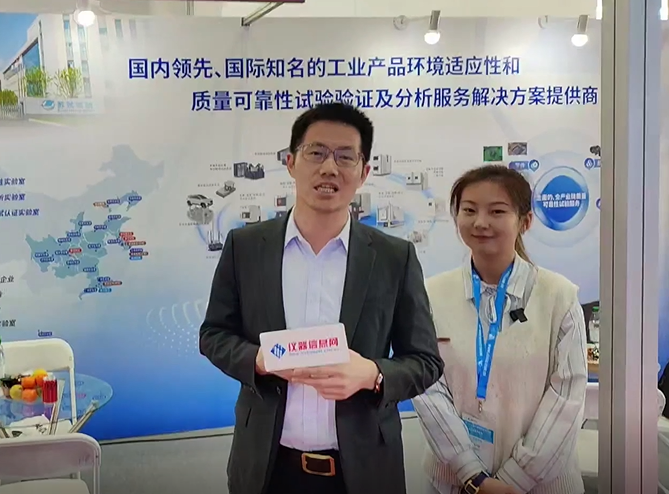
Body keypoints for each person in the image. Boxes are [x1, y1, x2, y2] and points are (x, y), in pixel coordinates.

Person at [200, 102, 443, 494]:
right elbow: (214, 335)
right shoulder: (245, 247)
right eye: (316, 153)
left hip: (362, 472)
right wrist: (258, 360)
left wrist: (372, 374)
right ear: (291, 162)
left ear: (364, 173)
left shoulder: (393, 258)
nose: (329, 168)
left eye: (345, 156)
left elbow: (426, 361)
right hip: (266, 468)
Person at [413, 165, 587, 494]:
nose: (480, 222)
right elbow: (427, 389)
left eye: (497, 211)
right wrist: (473, 476)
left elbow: (567, 397)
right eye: (469, 210)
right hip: (454, 483)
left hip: (542, 484)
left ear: (525, 221)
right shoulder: (431, 294)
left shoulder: (558, 296)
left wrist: (512, 482)